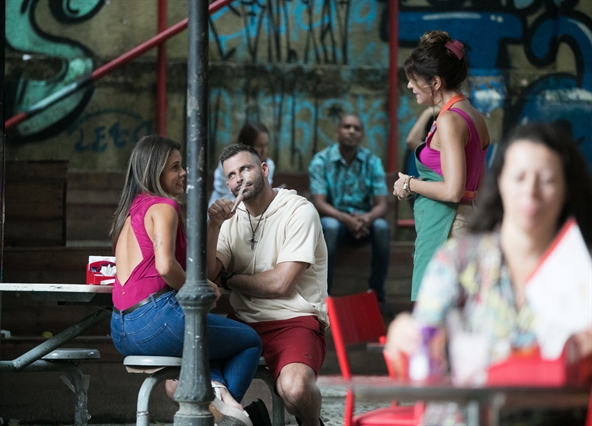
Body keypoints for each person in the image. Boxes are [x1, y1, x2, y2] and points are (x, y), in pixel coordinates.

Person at [386, 123, 592, 425]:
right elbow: (420, 357)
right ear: (500, 183)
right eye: (519, 177)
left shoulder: (580, 267)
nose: (530, 191)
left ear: (566, 190)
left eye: (547, 179)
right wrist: (405, 339)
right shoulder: (458, 262)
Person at [109, 135, 262, 426]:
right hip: (157, 321)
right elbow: (166, 266)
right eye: (175, 168)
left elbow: (183, 270)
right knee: (249, 340)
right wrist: (201, 288)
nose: (184, 173)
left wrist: (214, 225)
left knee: (212, 341)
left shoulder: (130, 211)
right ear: (154, 172)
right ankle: (225, 408)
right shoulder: (165, 207)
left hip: (121, 330)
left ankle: (219, 395)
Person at [207, 144, 329, 426]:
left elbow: (280, 284)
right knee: (181, 378)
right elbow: (208, 274)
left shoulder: (299, 211)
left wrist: (229, 280)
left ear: (264, 169)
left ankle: (312, 424)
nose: (239, 178)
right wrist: (213, 225)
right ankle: (251, 417)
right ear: (227, 183)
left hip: (294, 319)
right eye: (232, 175)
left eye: (245, 169)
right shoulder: (229, 219)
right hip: (243, 322)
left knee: (295, 390)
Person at [392, 30, 490, 301]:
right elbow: (474, 188)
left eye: (413, 80)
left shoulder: (449, 121)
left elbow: (452, 191)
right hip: (465, 221)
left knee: (437, 317)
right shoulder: (475, 116)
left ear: (434, 81)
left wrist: (409, 183)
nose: (410, 86)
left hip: (448, 227)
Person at [308, 114, 390, 312]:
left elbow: (382, 204)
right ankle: (323, 299)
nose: (351, 131)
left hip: (363, 225)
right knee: (331, 226)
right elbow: (319, 203)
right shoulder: (321, 161)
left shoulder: (372, 162)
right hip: (335, 225)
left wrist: (367, 219)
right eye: (346, 127)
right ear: (338, 132)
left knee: (381, 227)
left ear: (362, 134)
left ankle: (377, 296)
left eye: (356, 128)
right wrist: (345, 219)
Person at [208, 122, 275, 207]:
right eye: (259, 145)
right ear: (248, 145)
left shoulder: (268, 164)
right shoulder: (227, 164)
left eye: (266, 145)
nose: (263, 150)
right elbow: (224, 193)